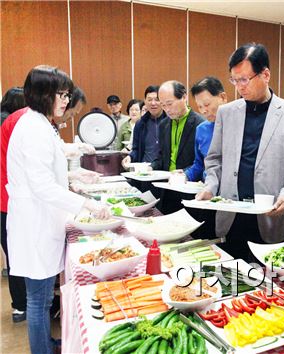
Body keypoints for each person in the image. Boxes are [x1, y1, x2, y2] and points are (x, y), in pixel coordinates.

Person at [5, 65, 110, 354]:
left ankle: (47, 344)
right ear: (42, 93)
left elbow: (47, 167)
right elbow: (41, 186)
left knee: (43, 299)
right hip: (34, 224)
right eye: (61, 94)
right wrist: (86, 204)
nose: (66, 100)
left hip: (41, 220)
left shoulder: (39, 122)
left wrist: (74, 176)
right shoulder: (33, 127)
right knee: (38, 301)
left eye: (67, 94)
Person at [196, 43, 284, 261]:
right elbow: (214, 159)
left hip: (270, 216)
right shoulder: (226, 113)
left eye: (244, 79)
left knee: (270, 288)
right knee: (232, 281)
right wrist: (211, 185)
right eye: (234, 80)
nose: (239, 86)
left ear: (265, 74)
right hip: (232, 216)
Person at [0, 86, 27, 323]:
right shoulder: (14, 123)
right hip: (10, 199)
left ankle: (19, 305)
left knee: (12, 255)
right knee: (19, 255)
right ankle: (22, 305)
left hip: (3, 199)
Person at [154, 80, 204, 172]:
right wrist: (150, 168)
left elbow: (203, 162)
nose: (167, 109)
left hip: (189, 182)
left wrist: (185, 173)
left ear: (184, 97)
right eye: (163, 105)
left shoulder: (200, 124)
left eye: (170, 104)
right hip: (165, 182)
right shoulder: (163, 125)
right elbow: (161, 157)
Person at [187, 76, 228, 182]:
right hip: (208, 188)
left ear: (223, 97)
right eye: (199, 107)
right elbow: (199, 164)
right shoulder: (201, 129)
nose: (203, 111)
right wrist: (185, 175)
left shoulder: (240, 125)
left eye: (206, 104)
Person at [122, 85, 167, 167]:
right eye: (149, 100)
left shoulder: (170, 122)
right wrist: (130, 157)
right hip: (144, 170)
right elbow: (136, 149)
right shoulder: (140, 124)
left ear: (162, 101)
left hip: (164, 171)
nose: (153, 103)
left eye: (157, 100)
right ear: (145, 102)